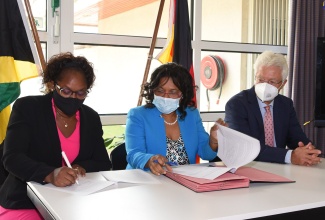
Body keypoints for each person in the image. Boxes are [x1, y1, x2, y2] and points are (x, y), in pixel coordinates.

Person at [0, 52, 112, 219]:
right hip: (26, 201)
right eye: (66, 91)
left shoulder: (91, 117)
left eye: (81, 93)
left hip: (74, 201)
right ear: (52, 85)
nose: (73, 98)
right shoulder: (28, 108)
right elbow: (12, 158)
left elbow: (102, 162)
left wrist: (81, 167)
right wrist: (50, 174)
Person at [125, 62, 224, 176]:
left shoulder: (191, 114)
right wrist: (149, 160)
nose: (165, 96)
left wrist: (213, 141)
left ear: (182, 94)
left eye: (172, 92)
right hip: (147, 182)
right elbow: (133, 154)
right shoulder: (138, 115)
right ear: (153, 90)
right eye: (160, 90)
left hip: (185, 181)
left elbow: (206, 154)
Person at [225, 50, 322, 166]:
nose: (264, 85)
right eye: (260, 80)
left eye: (272, 82)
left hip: (280, 168)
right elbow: (247, 148)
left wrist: (308, 151)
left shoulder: (286, 104)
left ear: (283, 84)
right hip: (248, 168)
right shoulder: (237, 104)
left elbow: (297, 138)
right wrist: (290, 156)